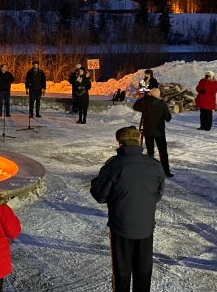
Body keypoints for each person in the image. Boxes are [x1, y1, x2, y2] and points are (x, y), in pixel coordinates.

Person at [90, 126, 165, 292]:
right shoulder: (154, 165)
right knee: (144, 271)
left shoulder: (114, 165)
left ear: (120, 142)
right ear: (138, 140)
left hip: (121, 225)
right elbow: (158, 195)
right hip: (146, 226)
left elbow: (99, 195)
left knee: (122, 271)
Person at [133, 88, 174, 177]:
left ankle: (150, 170)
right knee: (163, 151)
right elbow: (168, 118)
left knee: (150, 152)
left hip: (148, 131)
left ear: (150, 94)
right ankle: (166, 170)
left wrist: (140, 99)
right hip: (159, 131)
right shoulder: (162, 104)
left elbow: (135, 107)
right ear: (158, 95)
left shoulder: (145, 103)